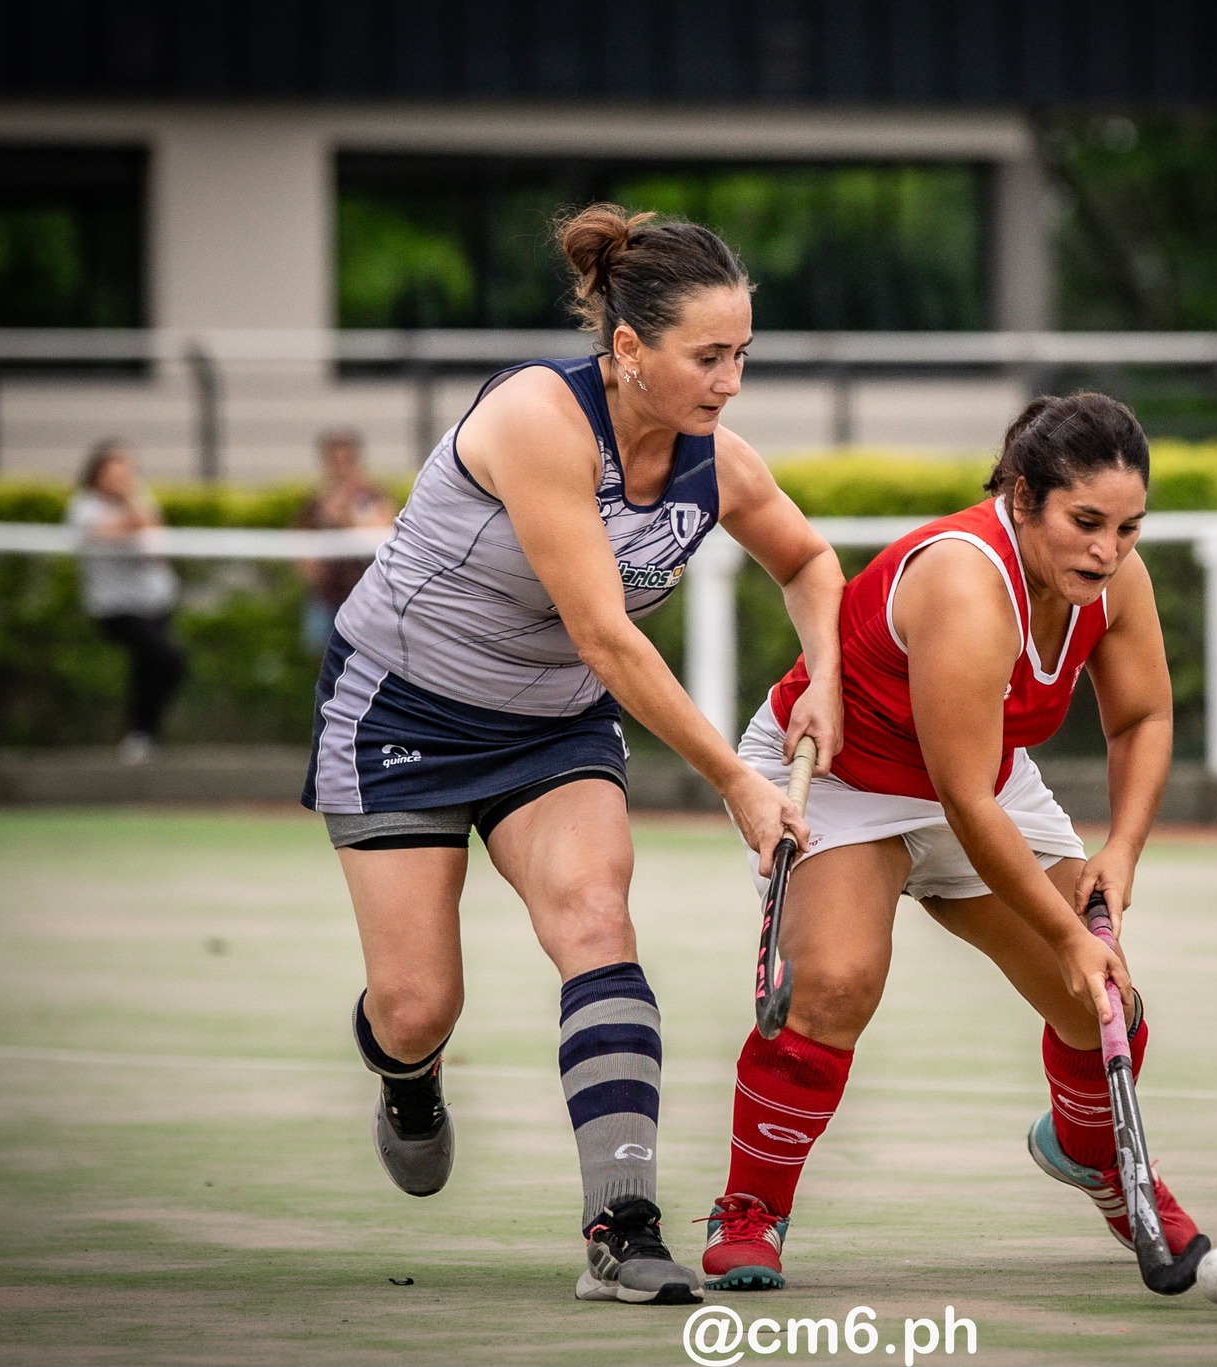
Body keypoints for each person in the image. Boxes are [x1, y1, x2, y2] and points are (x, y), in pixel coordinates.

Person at [302, 204, 843, 1306]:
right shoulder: (537, 417)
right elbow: (604, 631)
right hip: (402, 712)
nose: (730, 381)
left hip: (551, 726)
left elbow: (811, 559)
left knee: (597, 922)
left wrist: (823, 674)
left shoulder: (715, 461)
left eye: (742, 353)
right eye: (708, 356)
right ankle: (406, 1072)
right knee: (416, 1006)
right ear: (629, 349)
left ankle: (621, 1226)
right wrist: (736, 780)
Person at [699, 393, 1209, 1290]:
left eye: (1129, 528)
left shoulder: (1115, 581)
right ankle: (752, 1207)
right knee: (835, 981)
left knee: (1104, 1002)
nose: (1108, 549)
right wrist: (1064, 934)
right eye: (1085, 522)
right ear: (1022, 497)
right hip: (851, 777)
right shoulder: (968, 582)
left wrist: (1122, 848)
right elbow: (964, 801)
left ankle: (1096, 1156)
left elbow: (1143, 715)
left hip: (981, 770)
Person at [66, 440, 187, 764]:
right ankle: (142, 733)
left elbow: (156, 536)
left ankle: (144, 735)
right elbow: (107, 532)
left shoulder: (140, 498)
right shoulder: (84, 505)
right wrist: (131, 520)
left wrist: (132, 505)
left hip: (155, 601)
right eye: (114, 472)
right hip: (115, 607)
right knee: (165, 658)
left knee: (152, 669)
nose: (122, 479)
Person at [293, 428, 396, 655]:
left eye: (345, 460)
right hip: (326, 593)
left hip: (362, 593)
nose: (340, 467)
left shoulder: (369, 496)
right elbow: (302, 536)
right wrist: (309, 569)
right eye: (334, 460)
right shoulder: (317, 499)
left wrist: (344, 515)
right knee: (321, 655)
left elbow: (384, 531)